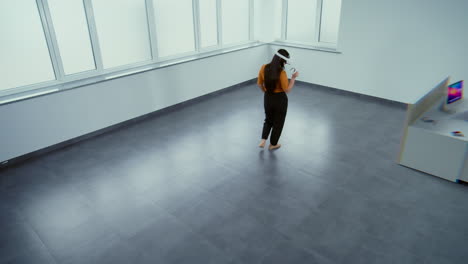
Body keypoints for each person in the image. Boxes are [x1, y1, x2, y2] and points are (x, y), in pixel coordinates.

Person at [257, 49, 299, 150]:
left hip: (267, 97)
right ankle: (273, 144)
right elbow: (287, 89)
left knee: (268, 119)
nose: (285, 63)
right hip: (280, 100)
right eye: (285, 61)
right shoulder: (282, 73)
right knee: (278, 123)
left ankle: (263, 140)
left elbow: (259, 83)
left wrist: (266, 91)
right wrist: (293, 78)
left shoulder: (263, 67)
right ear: (281, 59)